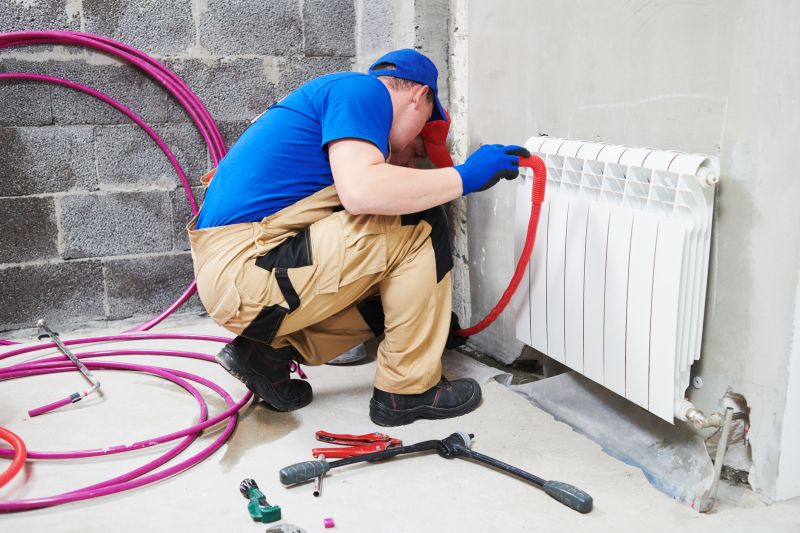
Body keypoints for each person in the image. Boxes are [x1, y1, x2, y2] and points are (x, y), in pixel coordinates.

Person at [187, 49, 529, 426]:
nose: (413, 158)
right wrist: (466, 177)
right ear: (419, 98)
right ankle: (408, 390)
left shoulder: (330, 111)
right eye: (418, 145)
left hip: (243, 271)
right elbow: (363, 191)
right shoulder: (364, 91)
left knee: (388, 295)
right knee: (420, 222)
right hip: (247, 268)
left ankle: (265, 356)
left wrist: (425, 319)